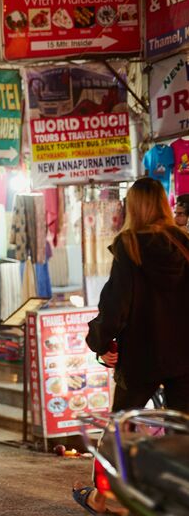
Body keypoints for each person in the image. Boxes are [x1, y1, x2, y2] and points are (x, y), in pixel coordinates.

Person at [86, 177, 189, 413]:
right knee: (182, 429)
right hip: (184, 356)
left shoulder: (129, 244)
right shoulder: (183, 243)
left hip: (140, 355)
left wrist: (100, 342)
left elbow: (116, 304)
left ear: (132, 207)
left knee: (122, 427)